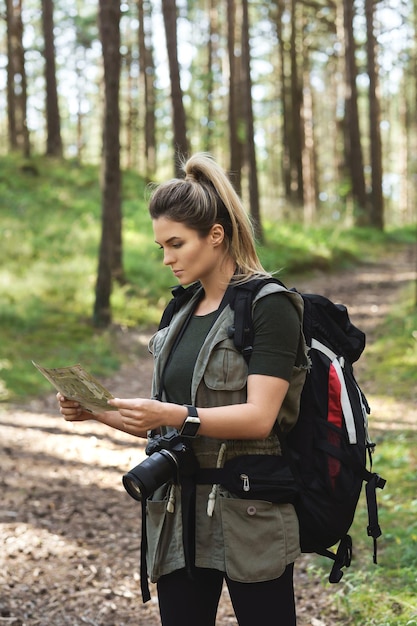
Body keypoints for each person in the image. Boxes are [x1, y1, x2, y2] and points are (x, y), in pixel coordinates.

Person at [57, 153, 309, 626]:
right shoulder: (178, 313)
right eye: (161, 248)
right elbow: (165, 426)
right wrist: (96, 412)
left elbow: (260, 418)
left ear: (216, 235)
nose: (168, 258)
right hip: (176, 512)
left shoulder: (269, 306)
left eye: (176, 244)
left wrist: (171, 415)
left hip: (250, 509)